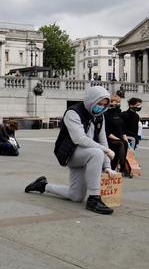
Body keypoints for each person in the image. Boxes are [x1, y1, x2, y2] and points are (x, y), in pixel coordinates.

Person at [25, 86, 117, 215]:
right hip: (71, 153)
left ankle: (42, 185)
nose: (101, 107)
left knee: (76, 196)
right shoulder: (73, 113)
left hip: (87, 155)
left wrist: (107, 166)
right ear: (91, 100)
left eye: (104, 105)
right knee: (96, 153)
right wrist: (105, 150)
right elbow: (80, 139)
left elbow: (103, 139)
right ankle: (94, 199)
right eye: (99, 103)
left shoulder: (100, 116)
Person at [104, 94, 130, 176]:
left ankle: (121, 166)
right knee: (121, 143)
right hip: (109, 137)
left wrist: (125, 138)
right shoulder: (106, 114)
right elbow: (106, 131)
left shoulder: (119, 114)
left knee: (125, 143)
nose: (117, 104)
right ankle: (122, 168)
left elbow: (123, 129)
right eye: (114, 102)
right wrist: (119, 139)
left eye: (118, 102)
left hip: (118, 138)